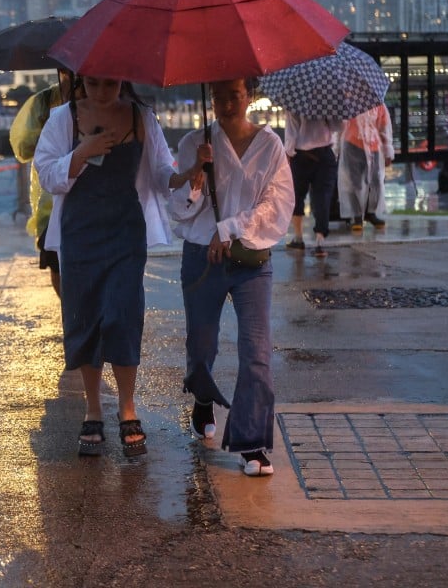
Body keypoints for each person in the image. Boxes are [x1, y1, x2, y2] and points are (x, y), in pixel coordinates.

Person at [34, 75, 209, 457]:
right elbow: (46, 173)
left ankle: (127, 408)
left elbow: (164, 174)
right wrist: (82, 152)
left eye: (109, 85)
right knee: (86, 317)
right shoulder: (65, 119)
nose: (101, 92)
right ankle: (93, 408)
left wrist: (191, 170)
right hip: (79, 230)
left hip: (125, 230)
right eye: (94, 84)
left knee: (123, 314)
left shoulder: (141, 117)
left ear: (123, 83)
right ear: (81, 82)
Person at [169, 78, 294, 477]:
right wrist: (196, 174)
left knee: (257, 351)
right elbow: (179, 211)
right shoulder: (196, 142)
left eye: (234, 95)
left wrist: (231, 228)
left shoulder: (271, 145)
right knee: (201, 344)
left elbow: (276, 205)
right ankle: (203, 397)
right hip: (202, 256)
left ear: (250, 95)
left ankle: (251, 442)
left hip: (249, 259)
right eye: (219, 95)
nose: (226, 103)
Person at [8, 70, 75, 296]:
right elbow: (23, 148)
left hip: (87, 195)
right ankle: (69, 311)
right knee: (55, 260)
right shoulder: (43, 102)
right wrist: (49, 138)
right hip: (50, 201)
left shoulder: (99, 99)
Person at [284, 111, 344, 258]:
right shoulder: (327, 100)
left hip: (301, 156)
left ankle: (298, 238)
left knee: (296, 197)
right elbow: (338, 126)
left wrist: (288, 154)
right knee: (323, 196)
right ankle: (320, 241)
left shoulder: (295, 100)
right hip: (325, 155)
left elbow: (291, 131)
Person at [338, 102, 394, 231]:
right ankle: (357, 215)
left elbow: (384, 127)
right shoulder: (347, 102)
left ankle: (371, 212)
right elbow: (340, 125)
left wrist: (387, 150)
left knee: (375, 181)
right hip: (352, 145)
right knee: (354, 182)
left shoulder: (378, 103)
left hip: (373, 146)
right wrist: (336, 149)